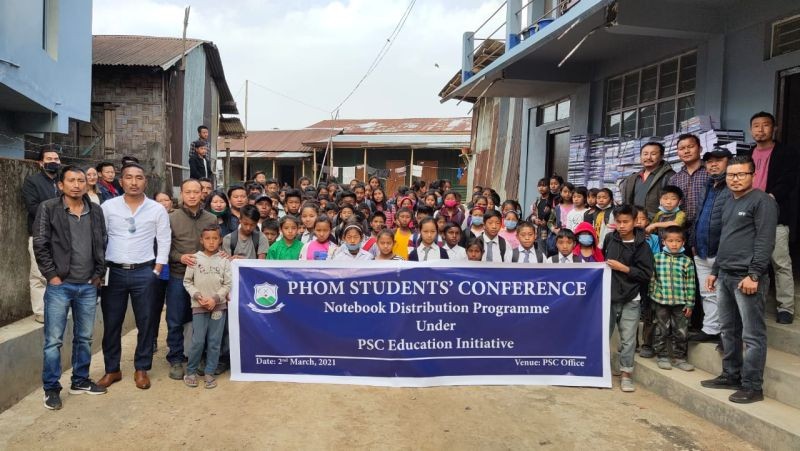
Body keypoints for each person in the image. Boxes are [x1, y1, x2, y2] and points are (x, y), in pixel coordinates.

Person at [702, 156, 778, 404]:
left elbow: (765, 240)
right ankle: (730, 375)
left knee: (752, 335)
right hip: (725, 274)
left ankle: (753, 386)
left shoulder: (762, 201)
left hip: (747, 278)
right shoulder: (729, 202)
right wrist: (715, 270)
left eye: (741, 174)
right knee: (728, 330)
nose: (735, 179)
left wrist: (754, 274)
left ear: (752, 174)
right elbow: (726, 238)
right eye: (731, 175)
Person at [33, 166, 108, 409]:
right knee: (53, 340)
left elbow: (102, 241)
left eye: (81, 180)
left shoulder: (95, 210)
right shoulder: (49, 208)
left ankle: (80, 380)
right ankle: (51, 388)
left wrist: (98, 274)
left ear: (86, 184)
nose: (77, 184)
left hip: (87, 285)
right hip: (60, 285)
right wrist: (52, 276)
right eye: (71, 181)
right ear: (60, 185)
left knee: (84, 338)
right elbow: (41, 244)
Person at [99, 163, 171, 390]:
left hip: (145, 272)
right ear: (120, 182)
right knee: (112, 323)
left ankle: (142, 368)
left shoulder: (156, 209)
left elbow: (164, 239)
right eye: (128, 177)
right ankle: (112, 370)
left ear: (145, 182)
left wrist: (158, 269)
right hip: (114, 271)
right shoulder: (108, 207)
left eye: (138, 177)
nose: (133, 182)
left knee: (146, 322)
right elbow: (99, 238)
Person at [745, 112, 797, 324]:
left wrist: (768, 200)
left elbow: (788, 181)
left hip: (775, 215)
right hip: (750, 217)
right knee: (752, 262)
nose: (760, 129)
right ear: (751, 130)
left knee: (780, 262)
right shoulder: (748, 154)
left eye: (765, 125)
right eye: (756, 126)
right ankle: (753, 304)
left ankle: (786, 307)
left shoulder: (786, 152)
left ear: (774, 128)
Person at [165, 179, 217, 380]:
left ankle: (201, 357)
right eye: (188, 192)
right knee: (175, 319)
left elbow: (215, 245)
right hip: (179, 275)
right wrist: (180, 257)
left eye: (197, 191)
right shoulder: (171, 218)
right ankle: (176, 359)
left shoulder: (211, 219)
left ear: (202, 193)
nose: (193, 195)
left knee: (202, 318)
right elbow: (164, 247)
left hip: (205, 278)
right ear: (182, 194)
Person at [603, 205, 655, 393]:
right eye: (619, 222)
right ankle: (603, 370)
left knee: (628, 339)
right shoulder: (610, 239)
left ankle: (626, 374)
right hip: (609, 297)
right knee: (603, 336)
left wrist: (623, 268)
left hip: (632, 298)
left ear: (635, 222)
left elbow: (646, 274)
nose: (622, 225)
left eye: (626, 222)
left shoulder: (643, 245)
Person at [690, 148, 733, 343]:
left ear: (728, 162)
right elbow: (698, 215)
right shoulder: (707, 185)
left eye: (718, 160)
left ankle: (728, 334)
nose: (713, 164)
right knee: (707, 293)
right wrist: (693, 241)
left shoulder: (732, 187)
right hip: (701, 249)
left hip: (721, 249)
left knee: (726, 295)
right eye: (709, 161)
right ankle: (710, 328)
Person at [183, 225, 232, 389]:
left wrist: (215, 299)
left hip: (218, 307)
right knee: (197, 340)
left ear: (220, 240)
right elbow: (187, 282)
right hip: (199, 306)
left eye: (215, 238)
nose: (211, 242)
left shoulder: (224, 260)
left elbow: (227, 284)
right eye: (207, 238)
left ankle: (210, 372)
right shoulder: (194, 259)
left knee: (214, 341)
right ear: (201, 240)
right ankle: (190, 371)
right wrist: (198, 296)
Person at [22, 145, 61, 323]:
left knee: (60, 272)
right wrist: (59, 212)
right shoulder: (32, 181)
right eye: (49, 159)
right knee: (38, 274)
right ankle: (41, 312)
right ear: (40, 163)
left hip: (62, 236)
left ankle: (57, 308)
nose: (53, 162)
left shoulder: (63, 181)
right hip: (40, 234)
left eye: (56, 159)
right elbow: (33, 208)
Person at [649, 226, 696, 372]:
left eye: (678, 241)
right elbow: (652, 279)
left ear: (683, 242)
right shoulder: (656, 258)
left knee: (681, 331)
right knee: (661, 329)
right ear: (664, 242)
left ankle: (679, 358)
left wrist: (690, 303)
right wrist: (652, 296)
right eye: (670, 241)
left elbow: (691, 283)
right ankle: (662, 356)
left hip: (680, 303)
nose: (674, 244)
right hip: (660, 301)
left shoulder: (687, 261)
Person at [668, 134, 709, 244]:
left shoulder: (710, 173)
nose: (686, 151)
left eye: (690, 147)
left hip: (705, 228)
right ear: (678, 152)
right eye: (682, 148)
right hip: (681, 231)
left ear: (700, 149)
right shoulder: (674, 179)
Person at [621, 142, 676, 220]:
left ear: (661, 156)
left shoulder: (669, 176)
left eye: (653, 154)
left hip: (656, 225)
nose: (648, 157)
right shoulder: (633, 178)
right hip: (635, 224)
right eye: (645, 154)